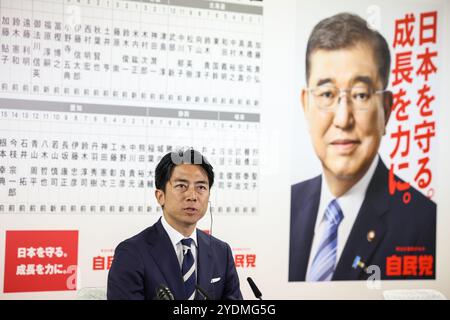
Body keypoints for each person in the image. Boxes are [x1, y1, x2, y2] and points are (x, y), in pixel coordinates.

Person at [289, 13, 436, 281]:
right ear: (306, 105)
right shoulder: (287, 206)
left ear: (387, 108)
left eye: (360, 95)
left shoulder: (427, 225)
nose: (343, 119)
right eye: (326, 94)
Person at [108, 149, 243, 299]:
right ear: (160, 196)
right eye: (181, 186)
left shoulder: (221, 252)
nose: (192, 196)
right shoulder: (131, 253)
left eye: (201, 187)